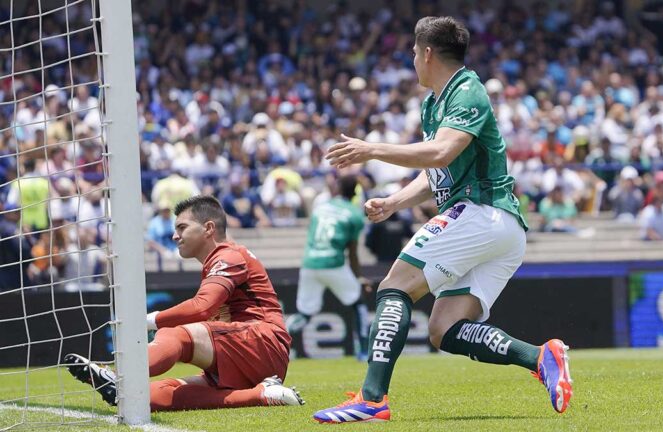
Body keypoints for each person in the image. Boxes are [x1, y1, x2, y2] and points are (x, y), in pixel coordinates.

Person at [313, 16, 572, 424]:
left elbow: (440, 153)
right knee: (443, 330)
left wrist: (372, 149)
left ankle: (372, 398)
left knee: (395, 286)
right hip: (497, 226)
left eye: (414, 53)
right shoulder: (435, 101)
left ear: (428, 53)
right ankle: (541, 357)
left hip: (482, 213)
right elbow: (438, 172)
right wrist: (395, 201)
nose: (413, 60)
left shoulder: (468, 90)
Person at [65, 196, 304, 411]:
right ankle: (262, 394)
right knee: (142, 397)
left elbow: (202, 307)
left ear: (208, 228)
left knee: (174, 334)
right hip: (248, 356)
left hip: (262, 342)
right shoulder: (219, 260)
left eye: (182, 227)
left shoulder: (229, 255)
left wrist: (149, 321)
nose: (174, 235)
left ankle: (119, 375)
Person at [286, 174, 371, 361]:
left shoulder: (320, 208)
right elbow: (353, 252)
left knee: (304, 314)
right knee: (358, 303)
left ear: (338, 189)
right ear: (355, 193)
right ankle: (364, 351)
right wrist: (358, 278)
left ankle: (277, 340)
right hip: (333, 264)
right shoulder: (354, 214)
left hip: (309, 263)